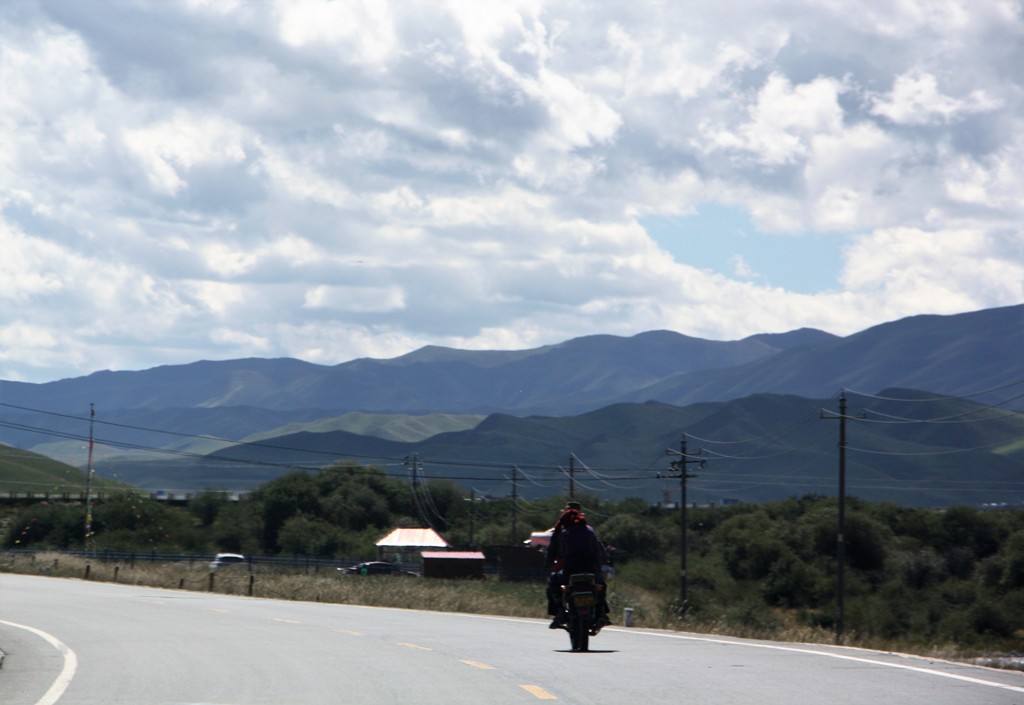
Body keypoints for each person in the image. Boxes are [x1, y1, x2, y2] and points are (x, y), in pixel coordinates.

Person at [545, 502, 611, 629]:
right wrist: (601, 563)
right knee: (601, 585)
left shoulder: (563, 532)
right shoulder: (589, 530)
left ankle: (560, 612)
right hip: (590, 569)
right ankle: (601, 614)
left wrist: (549, 563)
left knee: (553, 583)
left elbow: (559, 552)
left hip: (570, 569)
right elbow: (598, 550)